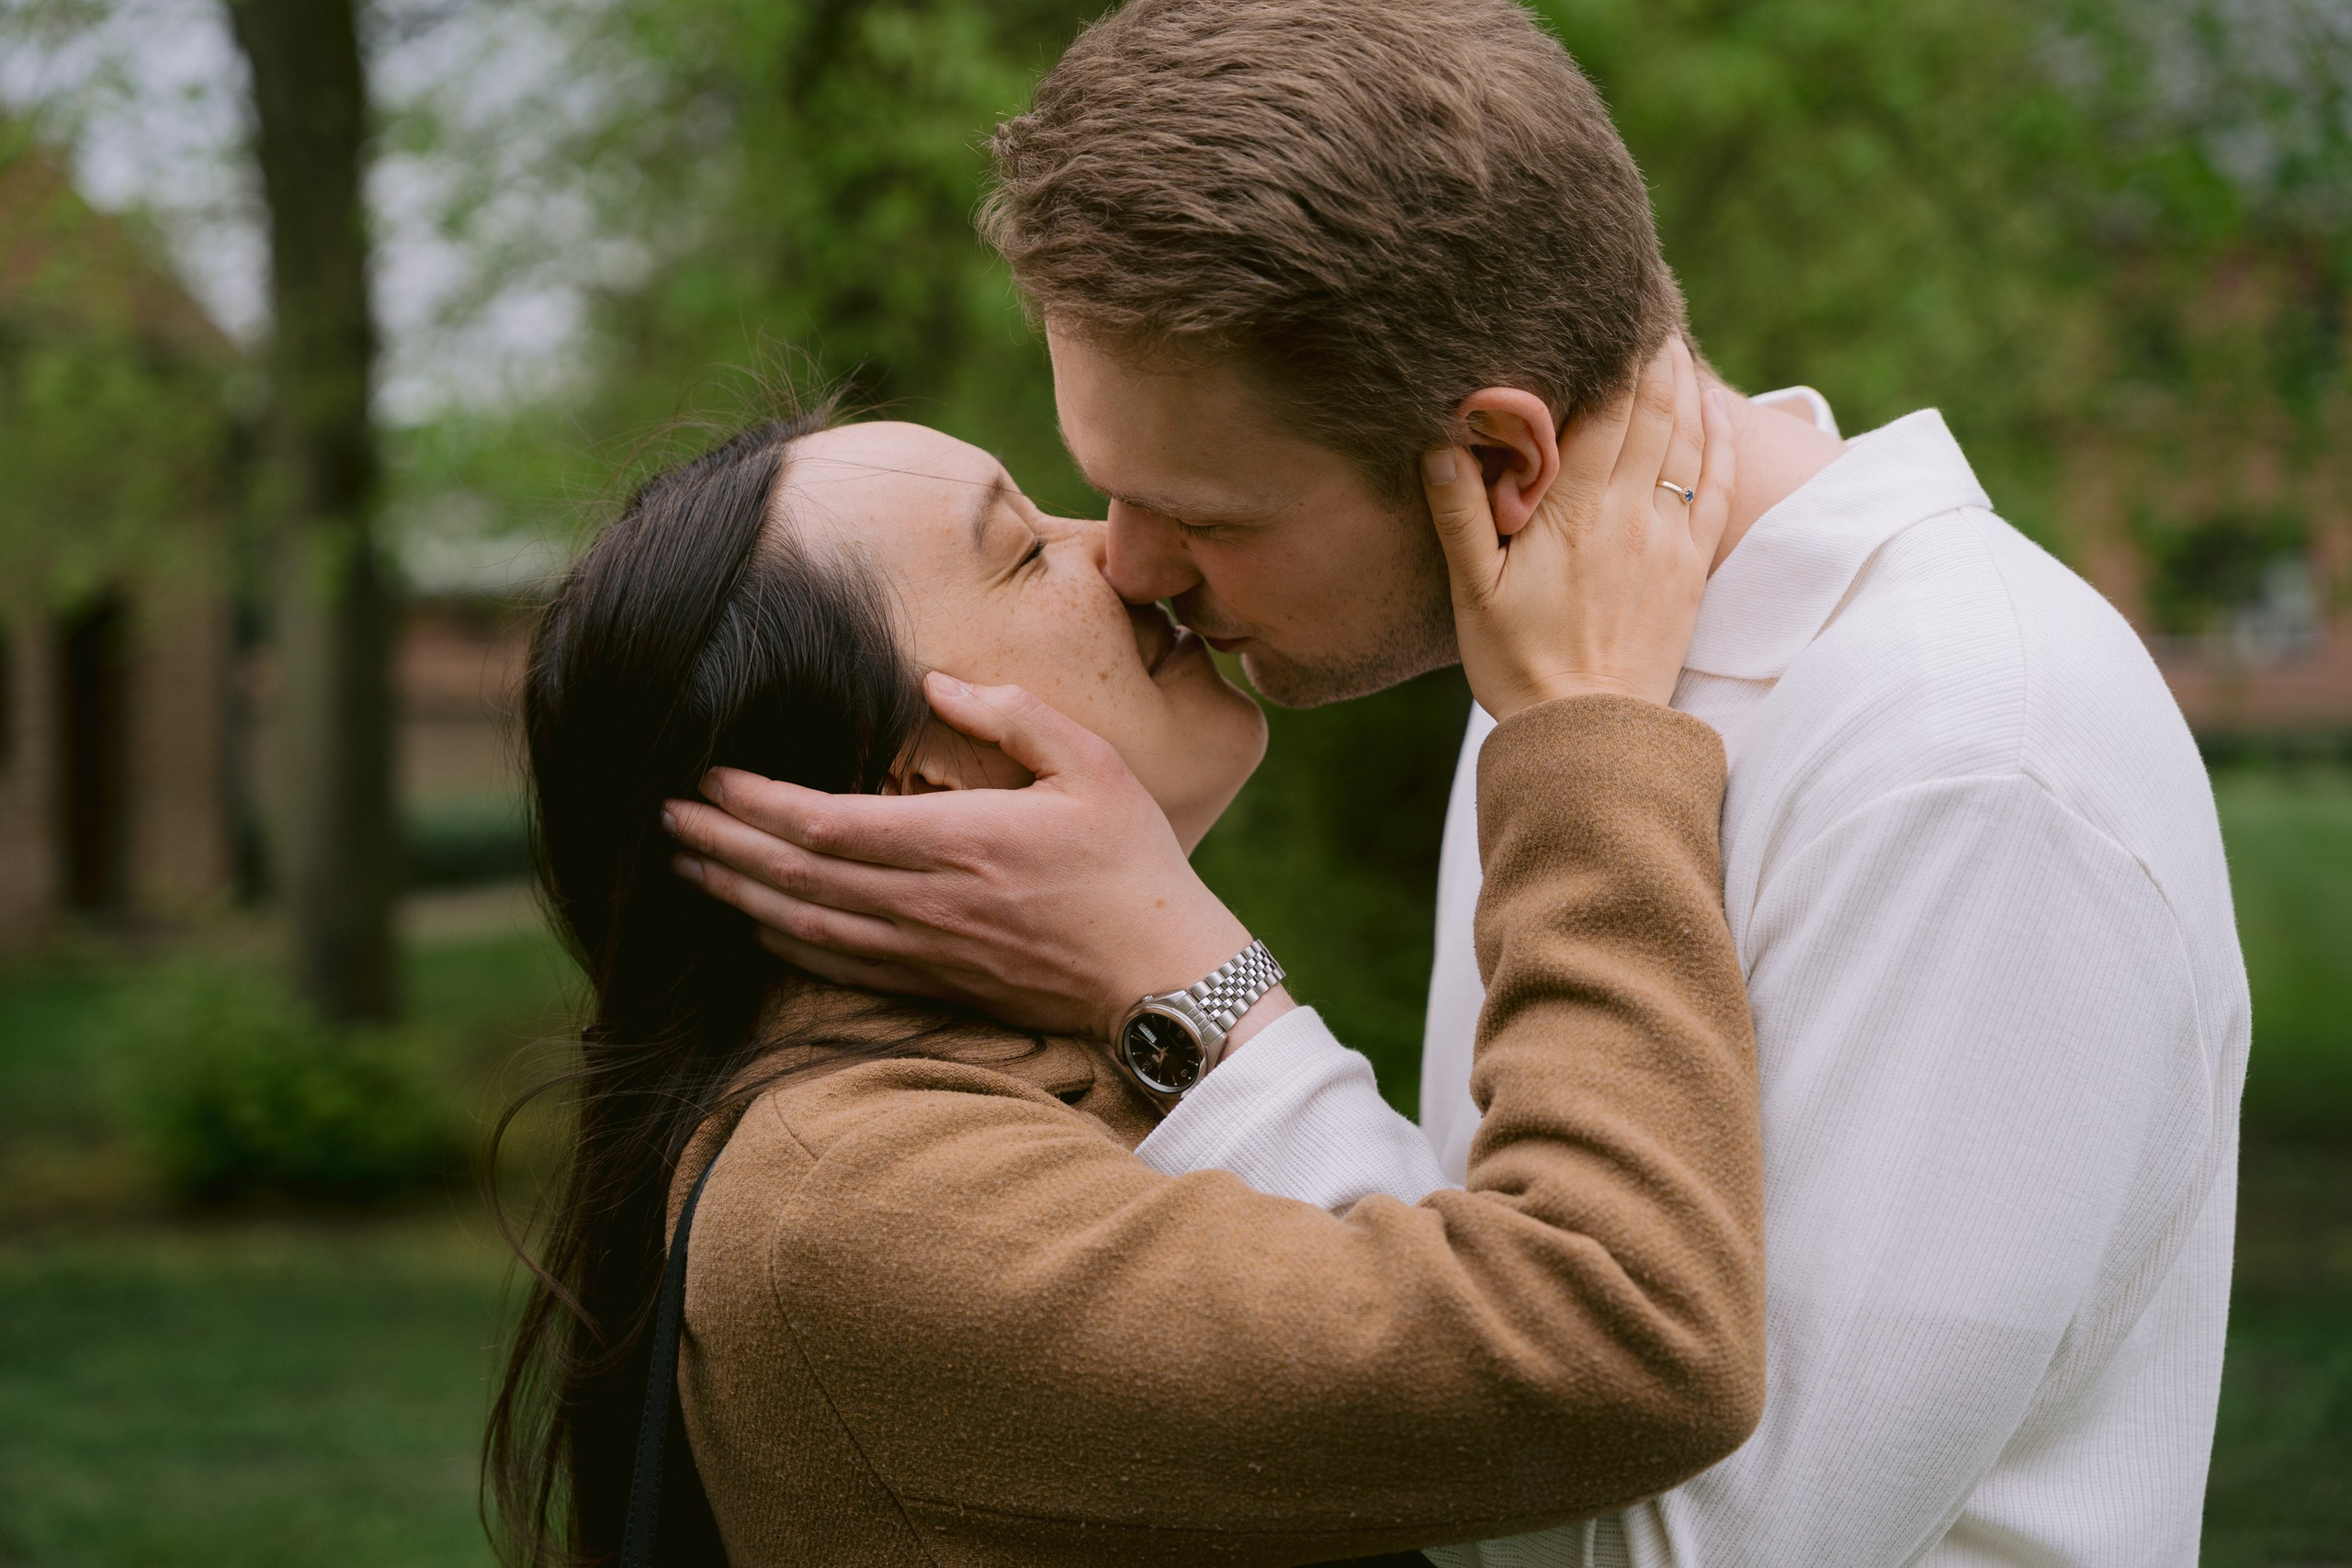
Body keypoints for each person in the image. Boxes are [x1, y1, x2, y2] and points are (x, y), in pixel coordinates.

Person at [665, 2, 2253, 1564]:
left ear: (1498, 465)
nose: (1135, 569)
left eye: (1203, 515)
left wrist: (1198, 998)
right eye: (1106, 495)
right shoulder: (1563, 680)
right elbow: (1480, 1331)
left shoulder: (1965, 757)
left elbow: (1670, 1544)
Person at [491, 348, 1774, 1566]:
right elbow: (1616, 1331)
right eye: (1021, 551)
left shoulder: (960, 1101)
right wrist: (1582, 729)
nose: (1117, 553)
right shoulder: (858, 1205)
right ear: (914, 782)